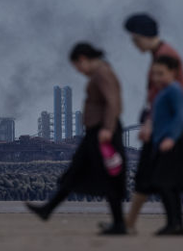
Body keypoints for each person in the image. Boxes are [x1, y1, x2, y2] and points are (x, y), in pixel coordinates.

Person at [123, 13, 183, 235]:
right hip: (172, 121)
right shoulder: (160, 55)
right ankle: (129, 223)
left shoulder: (166, 56)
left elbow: (178, 92)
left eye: (134, 40)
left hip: (169, 124)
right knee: (182, 176)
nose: (133, 45)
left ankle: (132, 224)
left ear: (143, 36)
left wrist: (150, 123)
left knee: (159, 174)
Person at [26, 42, 128, 235]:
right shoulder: (100, 73)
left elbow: (113, 101)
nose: (79, 71)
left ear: (82, 59)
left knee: (108, 176)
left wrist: (107, 127)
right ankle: (48, 208)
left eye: (77, 66)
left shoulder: (102, 73)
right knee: (75, 170)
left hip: (102, 132)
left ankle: (119, 224)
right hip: (95, 133)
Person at [146, 55, 183, 235]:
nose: (156, 78)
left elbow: (180, 116)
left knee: (165, 185)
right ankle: (176, 223)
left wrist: (170, 138)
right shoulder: (162, 92)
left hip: (170, 144)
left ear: (173, 72)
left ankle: (174, 223)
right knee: (166, 186)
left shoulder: (174, 90)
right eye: (154, 74)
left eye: (160, 73)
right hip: (161, 142)